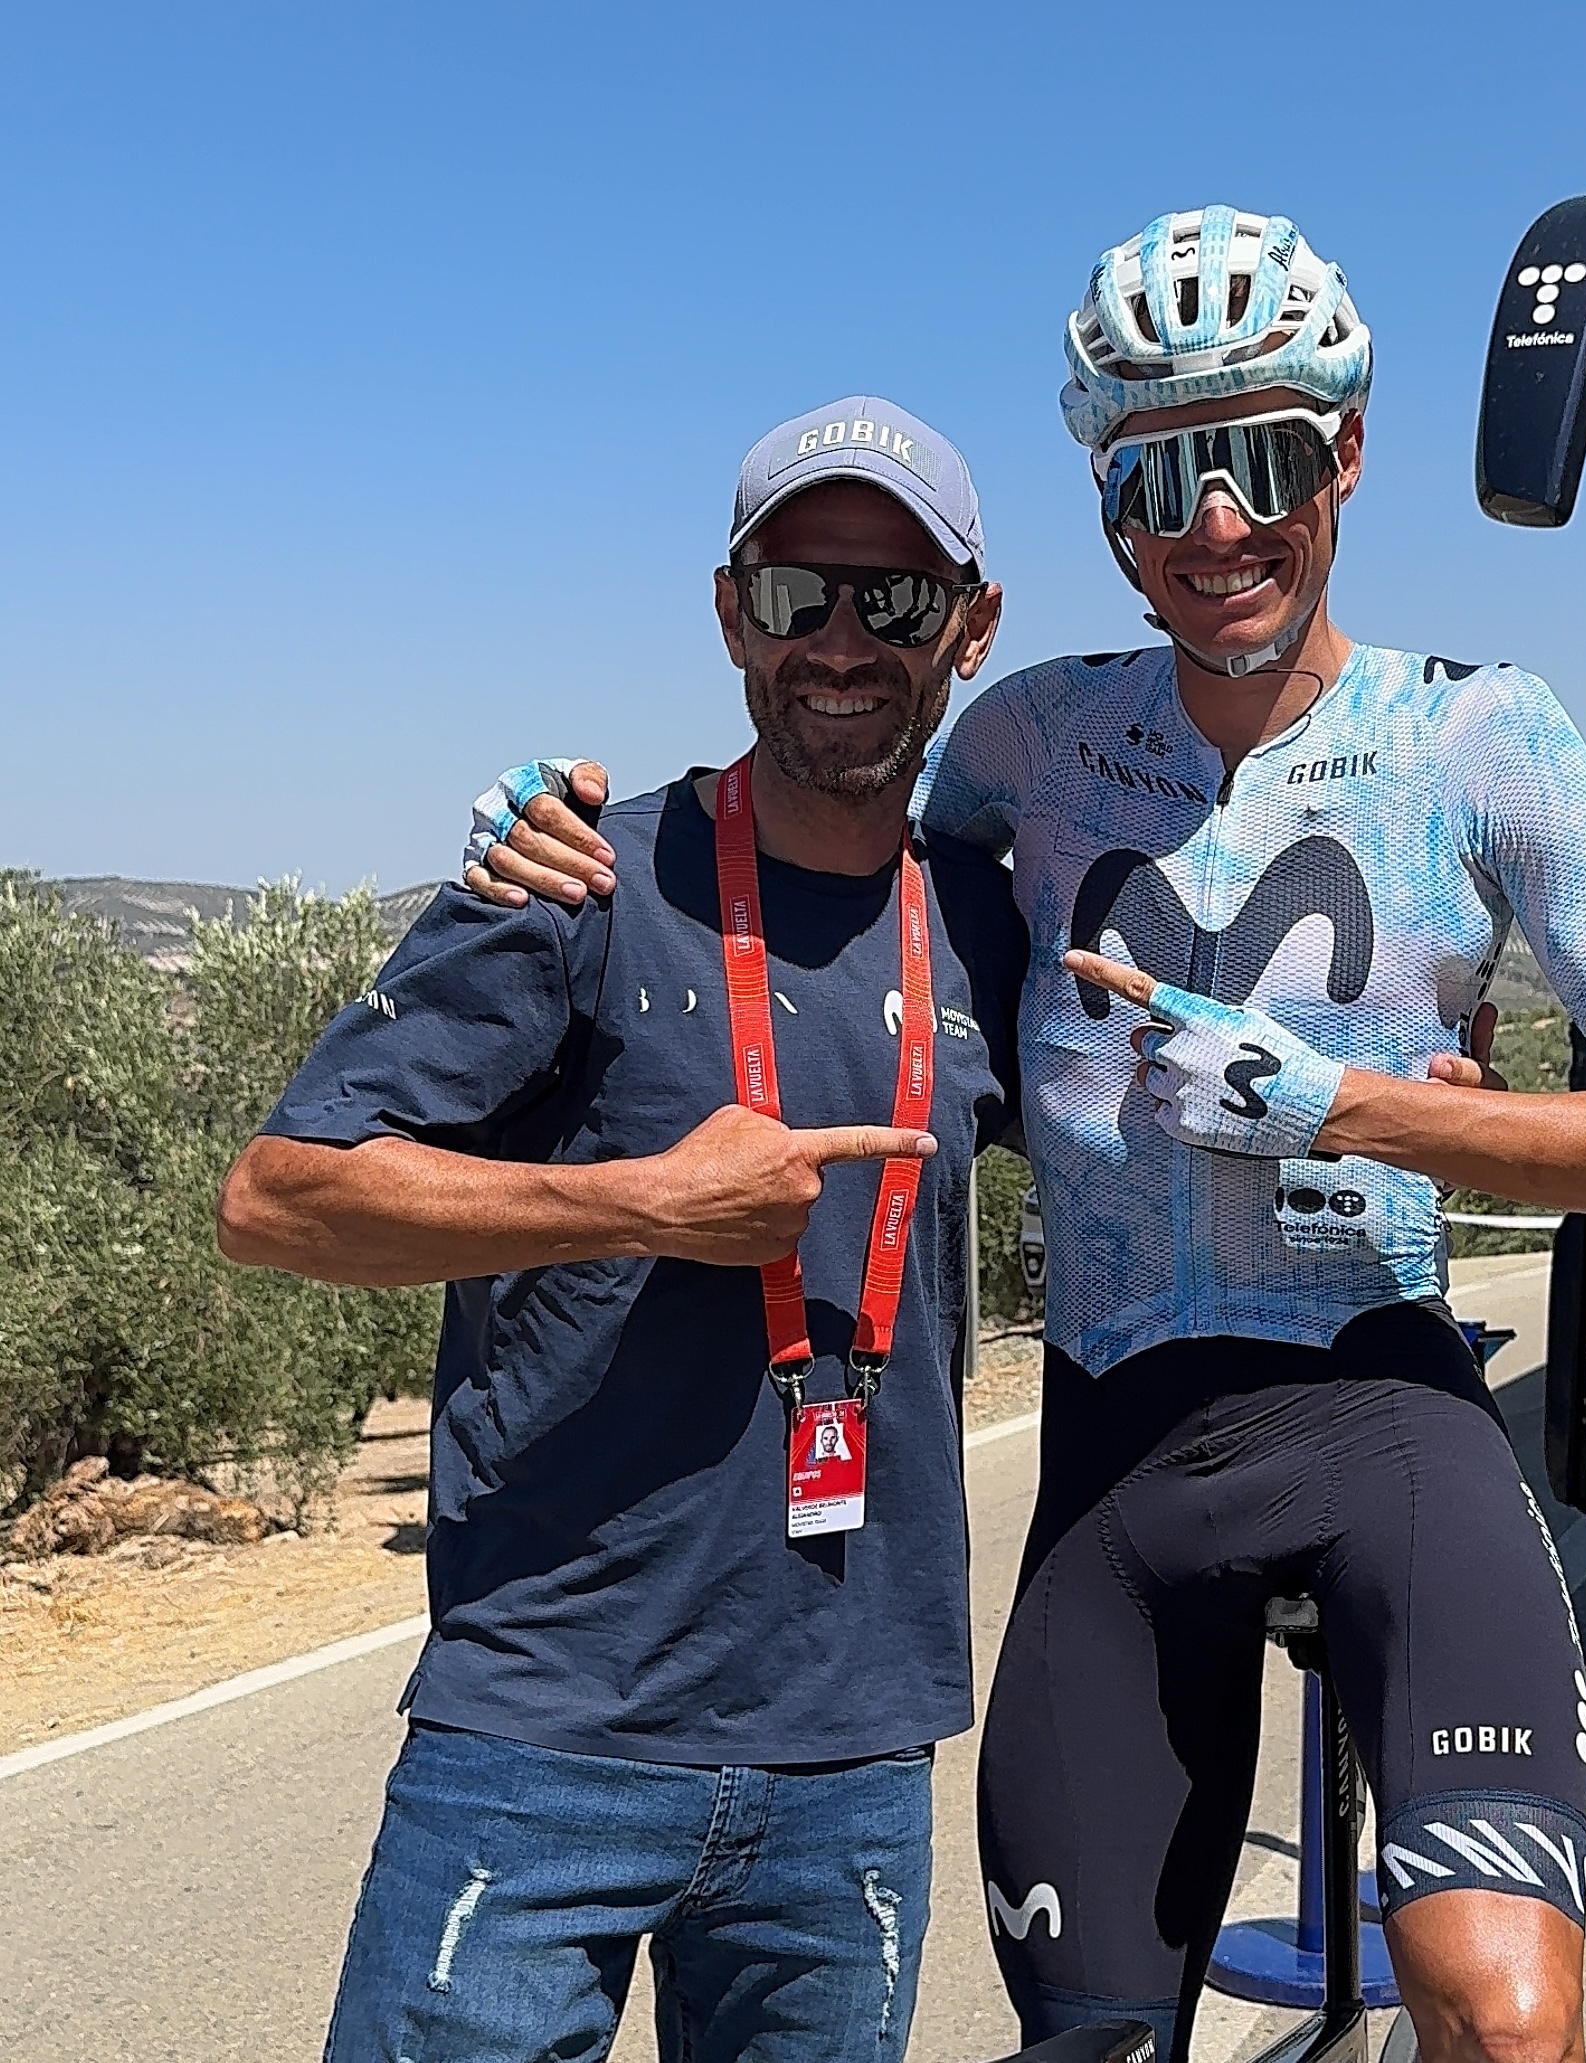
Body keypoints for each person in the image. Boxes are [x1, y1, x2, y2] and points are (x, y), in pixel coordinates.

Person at [459, 208, 1586, 2063]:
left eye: (1265, 459)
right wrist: (565, 828)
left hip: (1386, 1403)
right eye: (1165, 472)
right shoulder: (1026, 743)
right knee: (1086, 2044)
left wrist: (1362, 1104)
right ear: (1107, 507)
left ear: (1349, 457)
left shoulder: (1486, 739)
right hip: (1120, 1439)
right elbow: (818, 803)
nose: (1217, 522)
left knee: (1502, 2010)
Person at [216, 396, 1023, 2063]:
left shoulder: (990, 927)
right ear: (733, 614)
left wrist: (1412, 1062)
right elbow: (280, 1196)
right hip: (541, 1741)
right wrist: (640, 1204)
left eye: (897, 597)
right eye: (802, 593)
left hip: (851, 1756)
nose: (846, 641)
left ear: (972, 626)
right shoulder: (580, 880)